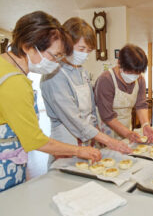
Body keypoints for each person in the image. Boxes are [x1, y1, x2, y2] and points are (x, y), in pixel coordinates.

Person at [0, 11, 101, 191]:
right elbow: (35, 140)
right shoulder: (14, 81)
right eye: (54, 56)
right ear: (28, 46)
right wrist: (79, 150)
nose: (56, 62)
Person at [40, 17, 131, 166]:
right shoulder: (54, 74)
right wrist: (108, 140)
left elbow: (91, 107)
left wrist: (96, 132)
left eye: (88, 51)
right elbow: (72, 119)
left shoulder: (81, 71)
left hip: (87, 137)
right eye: (81, 49)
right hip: (66, 140)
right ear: (66, 43)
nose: (84, 54)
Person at [94, 44, 153, 143]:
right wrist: (127, 133)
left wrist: (145, 125)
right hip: (106, 129)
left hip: (126, 127)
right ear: (119, 64)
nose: (134, 76)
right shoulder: (106, 80)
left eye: (137, 73)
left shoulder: (140, 80)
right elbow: (107, 115)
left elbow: (141, 105)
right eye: (130, 73)